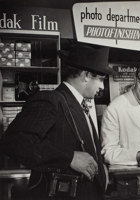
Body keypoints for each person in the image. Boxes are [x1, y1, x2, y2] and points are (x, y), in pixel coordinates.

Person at [0, 43, 117, 200]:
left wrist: (101, 170)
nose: (102, 86)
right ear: (86, 76)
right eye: (101, 79)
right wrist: (69, 158)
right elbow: (14, 142)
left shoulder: (79, 104)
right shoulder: (50, 100)